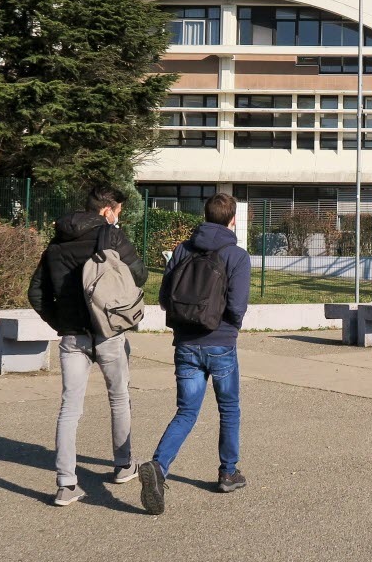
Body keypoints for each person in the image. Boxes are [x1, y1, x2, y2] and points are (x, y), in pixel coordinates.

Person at [28, 185, 149, 507]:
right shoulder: (111, 237)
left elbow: (36, 293)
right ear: (107, 210)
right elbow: (140, 275)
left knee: (69, 409)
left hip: (71, 337)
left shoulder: (56, 242)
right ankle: (124, 465)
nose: (118, 216)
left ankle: (66, 484)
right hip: (108, 331)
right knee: (119, 398)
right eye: (118, 211)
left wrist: (60, 323)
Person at [138, 193, 251, 515]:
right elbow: (237, 306)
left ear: (204, 216)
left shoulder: (181, 250)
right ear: (232, 220)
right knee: (228, 409)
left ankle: (159, 467)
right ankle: (228, 472)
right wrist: (228, 328)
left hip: (186, 344)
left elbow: (163, 297)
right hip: (221, 344)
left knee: (186, 412)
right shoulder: (236, 256)